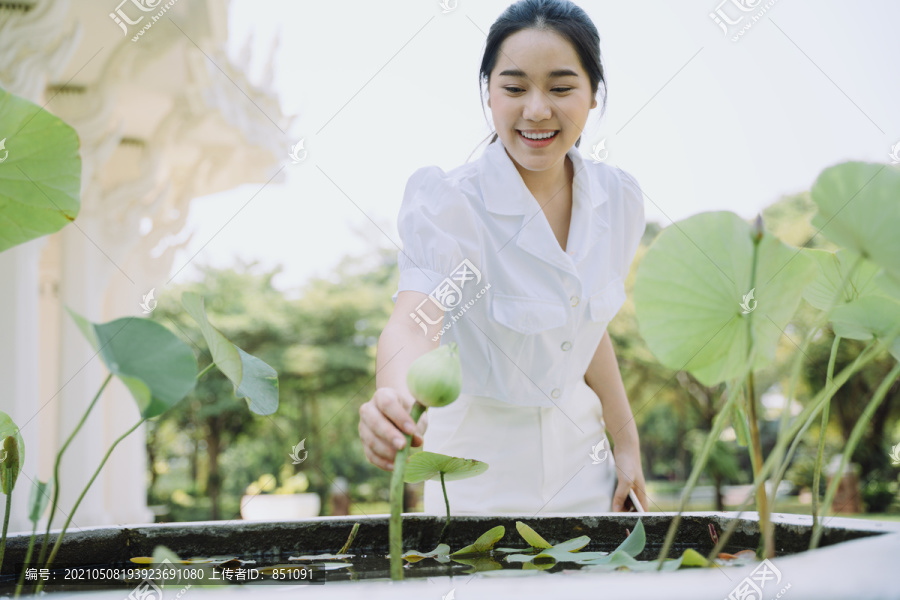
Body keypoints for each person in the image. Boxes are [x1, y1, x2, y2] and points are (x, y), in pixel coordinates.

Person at [359, 0, 648, 515]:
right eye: (514, 88)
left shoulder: (618, 200)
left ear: (594, 95)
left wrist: (625, 442)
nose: (537, 110)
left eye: (561, 88)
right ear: (488, 93)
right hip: (474, 478)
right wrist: (394, 397)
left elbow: (585, 325)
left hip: (587, 468)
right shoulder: (452, 205)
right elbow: (414, 321)